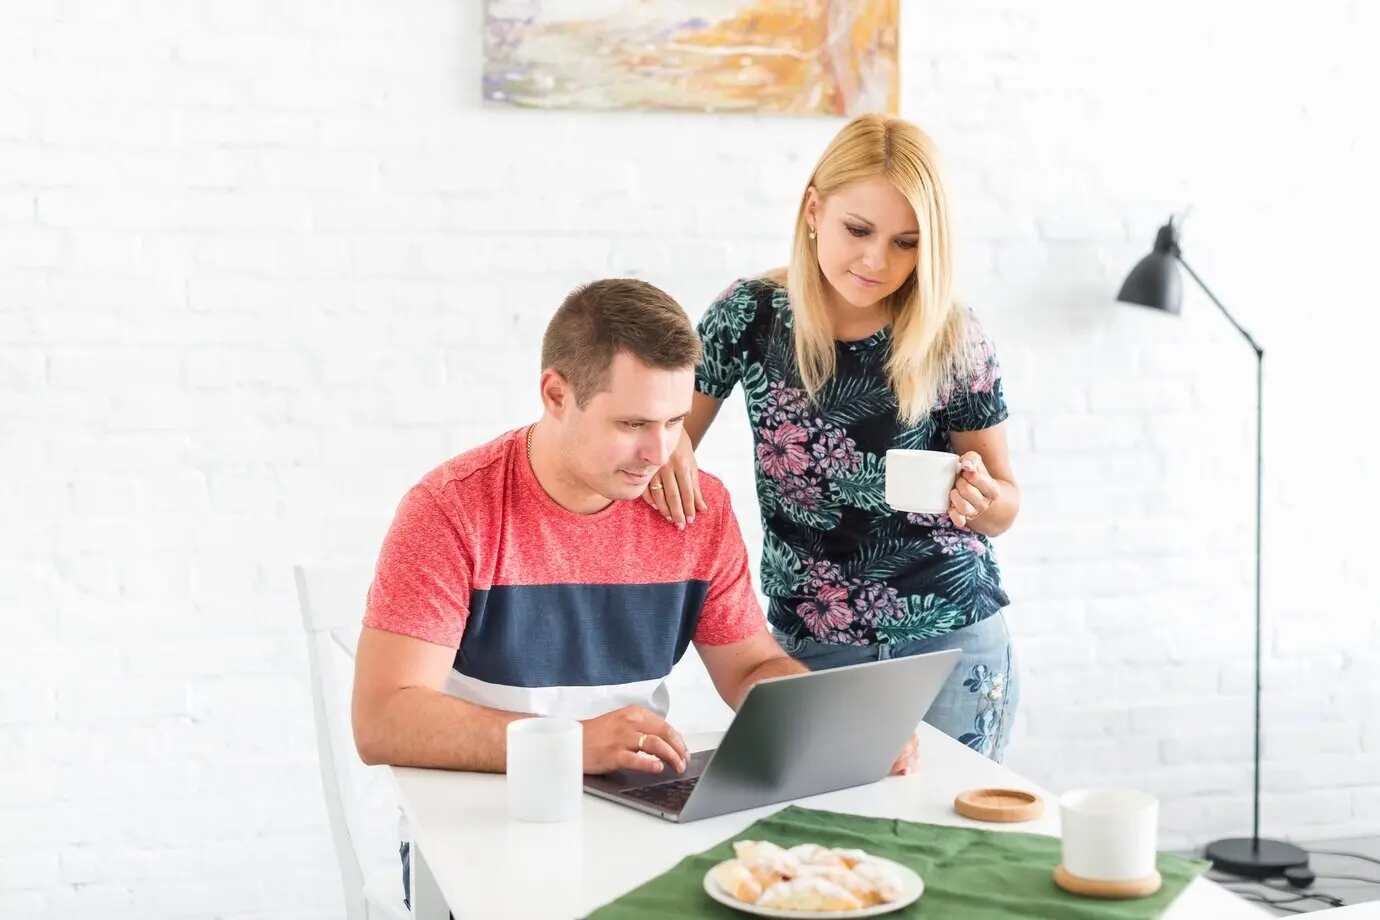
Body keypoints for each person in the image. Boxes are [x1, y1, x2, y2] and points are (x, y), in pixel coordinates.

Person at [351, 278, 921, 906]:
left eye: (676, 421)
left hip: (632, 824)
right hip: (477, 832)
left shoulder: (696, 510)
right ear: (556, 395)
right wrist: (573, 745)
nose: (660, 452)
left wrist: (835, 723)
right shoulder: (451, 509)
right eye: (632, 423)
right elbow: (383, 718)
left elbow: (752, 665)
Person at [642, 113, 1023, 764]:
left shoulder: (952, 334)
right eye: (858, 230)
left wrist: (983, 502)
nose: (878, 260)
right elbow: (665, 435)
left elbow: (1005, 503)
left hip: (953, 646)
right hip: (808, 652)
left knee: (947, 852)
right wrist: (669, 438)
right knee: (820, 854)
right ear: (813, 209)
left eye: (907, 242)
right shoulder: (752, 314)